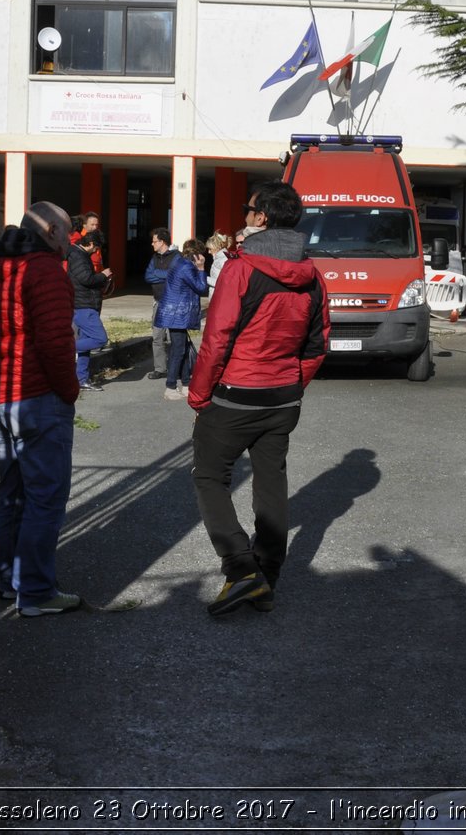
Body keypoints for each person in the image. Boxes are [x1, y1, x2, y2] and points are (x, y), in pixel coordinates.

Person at [188, 181, 329, 616]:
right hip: (283, 400)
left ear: (261, 218)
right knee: (271, 482)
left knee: (210, 477)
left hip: (234, 396)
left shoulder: (240, 269)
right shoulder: (313, 276)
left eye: (249, 209)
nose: (244, 216)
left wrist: (198, 394)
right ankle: (266, 576)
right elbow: (317, 344)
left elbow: (216, 340)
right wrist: (291, 384)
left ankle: (241, 569)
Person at [0, 201, 83, 616]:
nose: (70, 243)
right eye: (69, 234)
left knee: (13, 494)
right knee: (45, 497)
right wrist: (70, 391)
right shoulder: (44, 272)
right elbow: (56, 343)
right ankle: (37, 592)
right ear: (53, 232)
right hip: (37, 396)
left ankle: (10, 581)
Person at [154, 238, 208, 401]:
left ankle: (185, 384)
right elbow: (201, 288)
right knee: (178, 350)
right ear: (197, 255)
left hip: (175, 313)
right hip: (177, 313)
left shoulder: (180, 263)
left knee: (183, 348)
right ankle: (170, 386)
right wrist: (201, 268)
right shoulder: (186, 267)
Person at [67, 231, 113, 392]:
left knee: (85, 347)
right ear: (92, 244)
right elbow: (86, 279)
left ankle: (82, 379)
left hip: (86, 304)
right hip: (83, 305)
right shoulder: (78, 255)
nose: (96, 252)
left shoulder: (78, 254)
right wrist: (102, 275)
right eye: (97, 248)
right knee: (100, 339)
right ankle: (64, 348)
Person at [143, 229, 178, 380]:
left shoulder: (177, 257)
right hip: (158, 301)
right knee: (157, 336)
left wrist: (158, 274)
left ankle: (177, 368)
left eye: (154, 241)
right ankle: (160, 368)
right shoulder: (154, 258)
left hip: (173, 303)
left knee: (175, 337)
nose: (152, 244)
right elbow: (147, 276)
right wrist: (163, 275)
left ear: (162, 242)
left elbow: (175, 275)